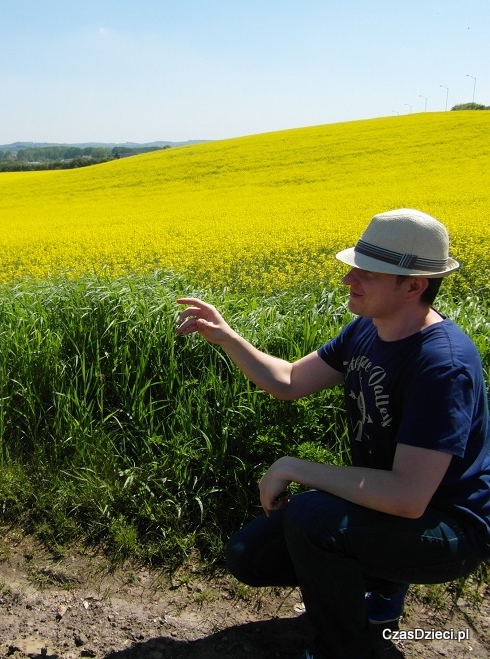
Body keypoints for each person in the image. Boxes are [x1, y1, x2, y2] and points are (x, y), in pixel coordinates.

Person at [176, 208, 490, 659]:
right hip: (389, 511)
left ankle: (347, 648)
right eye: (353, 267)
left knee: (313, 521)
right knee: (250, 555)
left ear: (414, 285)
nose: (348, 280)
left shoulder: (442, 364)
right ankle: (380, 589)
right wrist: (227, 337)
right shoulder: (367, 329)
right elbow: (289, 381)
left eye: (368, 273)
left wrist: (292, 467)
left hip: (450, 527)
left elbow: (407, 496)